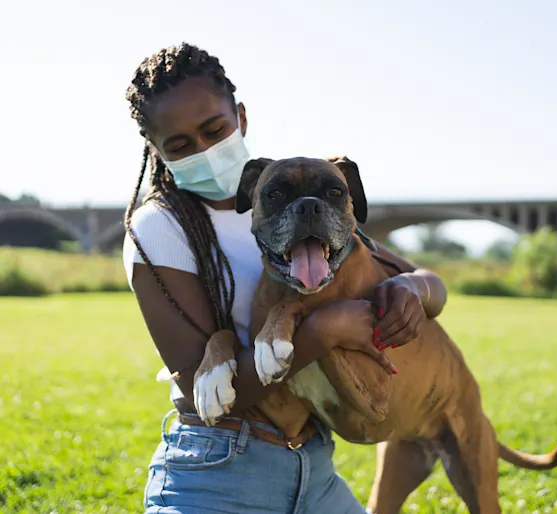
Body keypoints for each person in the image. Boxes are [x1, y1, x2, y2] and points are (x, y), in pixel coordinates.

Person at [122, 42, 448, 514]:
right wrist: (324, 329)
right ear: (156, 150)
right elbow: (210, 399)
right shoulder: (160, 228)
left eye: (215, 129)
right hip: (218, 469)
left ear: (241, 117)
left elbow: (430, 285)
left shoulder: (287, 196)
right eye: (180, 146)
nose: (205, 152)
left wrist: (410, 289)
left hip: (314, 469)